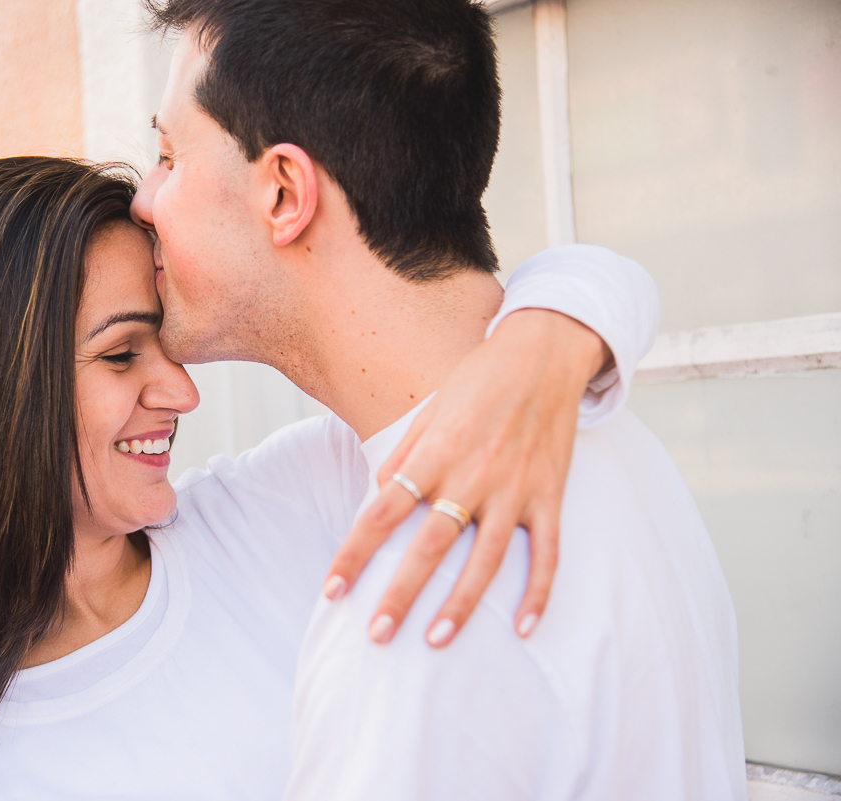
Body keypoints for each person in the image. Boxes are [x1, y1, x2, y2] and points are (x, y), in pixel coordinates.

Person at [0, 155, 659, 800]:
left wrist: (539, 346)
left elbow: (598, 276)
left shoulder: (272, 513)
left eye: (163, 342)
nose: (181, 389)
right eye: (123, 354)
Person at [134, 0, 747, 798]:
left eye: (170, 155)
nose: (144, 198)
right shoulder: (591, 421)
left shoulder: (414, 609)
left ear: (285, 191)